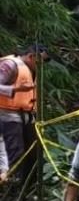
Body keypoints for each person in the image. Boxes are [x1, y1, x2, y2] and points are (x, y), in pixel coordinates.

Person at [0, 44, 48, 183]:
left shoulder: (31, 69)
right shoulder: (11, 64)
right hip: (8, 115)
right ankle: (12, 190)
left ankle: (28, 188)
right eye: (40, 61)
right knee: (16, 154)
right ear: (31, 56)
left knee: (32, 153)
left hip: (27, 116)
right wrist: (15, 89)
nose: (42, 64)